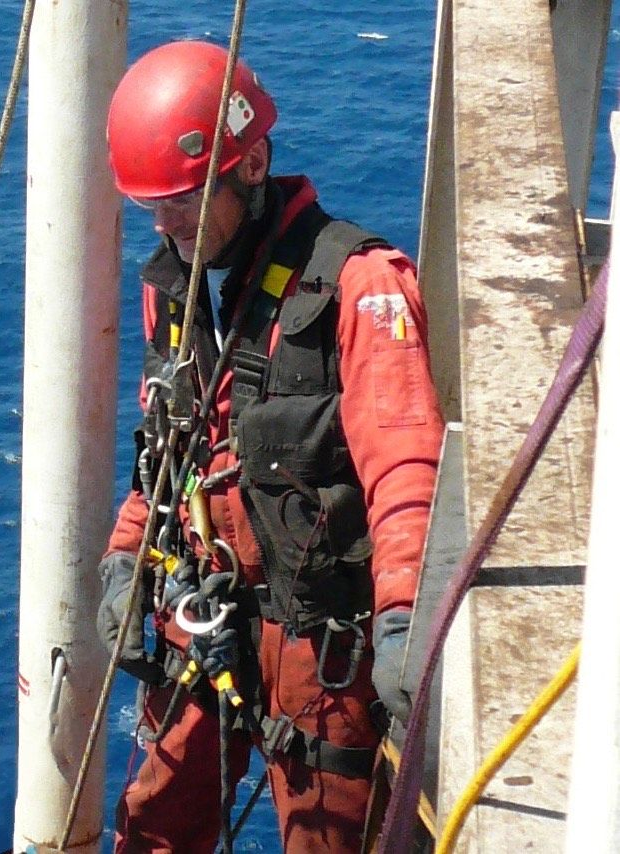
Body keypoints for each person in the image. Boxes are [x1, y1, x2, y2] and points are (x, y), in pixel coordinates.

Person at [97, 40, 444, 853]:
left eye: (180, 200)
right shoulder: (177, 289)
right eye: (151, 207)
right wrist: (126, 557)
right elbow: (174, 446)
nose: (163, 224)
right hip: (205, 615)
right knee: (150, 829)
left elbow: (404, 463)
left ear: (249, 166)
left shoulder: (362, 289)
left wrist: (400, 622)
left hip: (320, 648)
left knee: (329, 839)